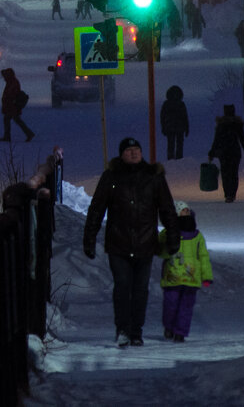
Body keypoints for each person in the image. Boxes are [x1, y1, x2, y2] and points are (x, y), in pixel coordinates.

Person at [83, 137, 180, 347]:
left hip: (145, 243)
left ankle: (137, 331)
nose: (134, 153)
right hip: (119, 243)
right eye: (129, 151)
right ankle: (123, 330)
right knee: (122, 286)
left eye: (137, 149)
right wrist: (89, 238)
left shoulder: (154, 177)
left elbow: (167, 209)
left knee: (140, 290)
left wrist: (174, 237)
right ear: (122, 154)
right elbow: (97, 209)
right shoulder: (111, 177)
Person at [158, 201, 213, 342]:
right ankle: (169, 327)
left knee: (186, 308)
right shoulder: (168, 232)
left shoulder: (197, 236)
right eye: (183, 210)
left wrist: (206, 276)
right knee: (170, 305)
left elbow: (203, 256)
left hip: (190, 277)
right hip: (173, 276)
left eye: (188, 210)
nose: (187, 212)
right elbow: (160, 250)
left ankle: (180, 332)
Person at [208, 104, 244, 202]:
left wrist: (212, 153)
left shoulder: (221, 125)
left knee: (225, 173)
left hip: (223, 153)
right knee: (234, 173)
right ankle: (232, 194)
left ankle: (227, 194)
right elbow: (242, 139)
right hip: (235, 152)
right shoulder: (237, 124)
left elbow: (216, 140)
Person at [0, 68, 35, 142]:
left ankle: (28, 134)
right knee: (14, 120)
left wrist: (8, 101)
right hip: (11, 105)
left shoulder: (12, 83)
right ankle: (28, 134)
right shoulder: (11, 82)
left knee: (12, 120)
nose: (4, 78)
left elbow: (11, 94)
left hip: (12, 106)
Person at [159, 85, 190, 161]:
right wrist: (187, 128)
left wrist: (163, 127)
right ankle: (178, 160)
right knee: (178, 145)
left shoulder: (166, 104)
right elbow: (185, 117)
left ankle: (171, 160)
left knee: (171, 145)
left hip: (170, 127)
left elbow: (162, 117)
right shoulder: (181, 104)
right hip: (179, 128)